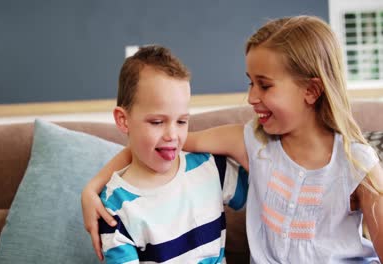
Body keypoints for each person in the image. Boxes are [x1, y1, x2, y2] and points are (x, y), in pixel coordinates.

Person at [82, 16, 383, 263]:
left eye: (264, 85)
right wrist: (93, 188)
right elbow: (162, 146)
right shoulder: (250, 142)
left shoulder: (359, 164)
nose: (251, 97)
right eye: (250, 83)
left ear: (311, 91)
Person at [92, 45, 248, 263]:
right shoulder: (114, 208)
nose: (172, 135)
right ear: (123, 120)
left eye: (182, 121)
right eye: (157, 122)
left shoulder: (209, 166)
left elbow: (268, 196)